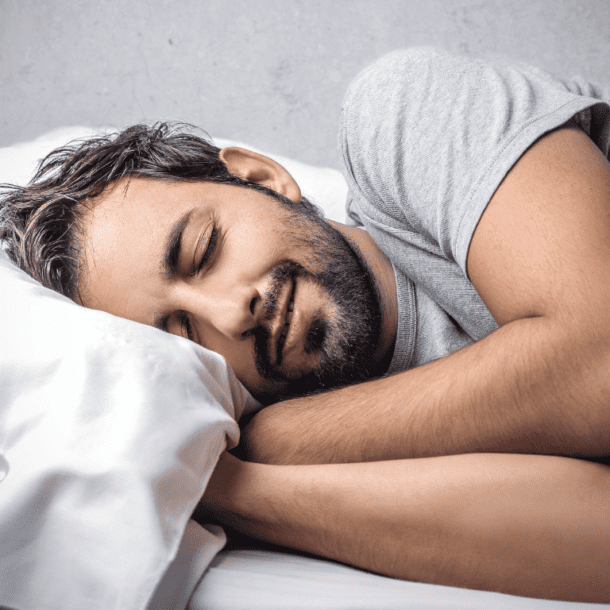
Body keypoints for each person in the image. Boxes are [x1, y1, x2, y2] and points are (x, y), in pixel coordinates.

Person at [1, 48, 609, 601]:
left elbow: (599, 359)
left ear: (262, 179)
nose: (227, 314)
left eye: (205, 250)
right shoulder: (320, 471)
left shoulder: (406, 112)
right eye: (183, 333)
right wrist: (227, 489)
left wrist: (282, 439)